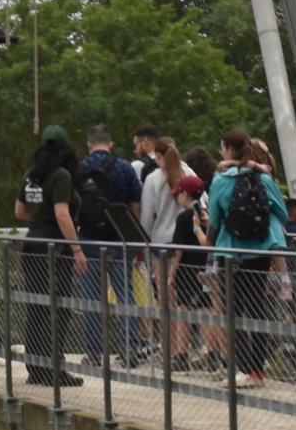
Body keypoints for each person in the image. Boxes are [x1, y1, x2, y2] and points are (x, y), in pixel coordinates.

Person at [201, 130, 288, 388]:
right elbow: (282, 213)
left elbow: (215, 220)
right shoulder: (263, 177)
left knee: (234, 311)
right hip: (260, 252)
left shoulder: (220, 180)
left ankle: (244, 368)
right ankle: (258, 371)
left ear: (228, 149)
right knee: (257, 308)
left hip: (231, 252)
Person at [14, 126, 89, 388]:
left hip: (32, 242)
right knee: (57, 309)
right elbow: (62, 214)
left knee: (36, 307)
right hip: (54, 249)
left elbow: (20, 211)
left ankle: (36, 368)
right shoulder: (61, 176)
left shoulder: (30, 176)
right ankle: (54, 370)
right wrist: (77, 250)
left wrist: (39, 214)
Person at [76, 126, 144, 366]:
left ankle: (94, 354)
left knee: (92, 298)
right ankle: (129, 351)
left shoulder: (81, 168)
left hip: (88, 239)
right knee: (125, 295)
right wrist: (134, 239)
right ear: (111, 144)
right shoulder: (124, 167)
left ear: (89, 145)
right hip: (118, 238)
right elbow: (136, 206)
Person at [136, 132, 195, 369]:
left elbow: (147, 215)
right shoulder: (189, 173)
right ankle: (183, 352)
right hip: (186, 245)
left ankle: (169, 351)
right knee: (185, 303)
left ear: (159, 155)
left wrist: (143, 243)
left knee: (166, 302)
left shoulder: (153, 179)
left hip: (161, 245)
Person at [174, 143, 221, 368]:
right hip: (205, 268)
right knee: (207, 311)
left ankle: (181, 355)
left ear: (185, 193)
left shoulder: (184, 218)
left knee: (183, 310)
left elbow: (177, 250)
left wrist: (170, 274)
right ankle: (213, 354)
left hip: (185, 271)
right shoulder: (207, 212)